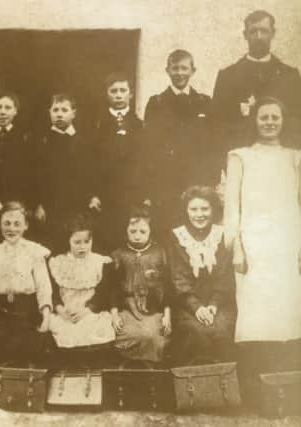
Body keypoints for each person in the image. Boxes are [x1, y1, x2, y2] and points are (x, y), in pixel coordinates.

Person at [224, 96, 301, 406]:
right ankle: (255, 395)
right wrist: (237, 248)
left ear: (283, 121)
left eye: (275, 117)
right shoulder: (239, 156)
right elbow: (232, 207)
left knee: (287, 313)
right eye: (263, 117)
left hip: (287, 244)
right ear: (254, 121)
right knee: (255, 316)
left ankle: (286, 393)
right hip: (254, 247)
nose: (269, 122)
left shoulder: (295, 157)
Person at [212, 10, 301, 173]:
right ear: (245, 35)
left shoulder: (290, 76)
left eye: (264, 31)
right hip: (242, 163)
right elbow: (217, 126)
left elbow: (297, 123)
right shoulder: (228, 76)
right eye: (253, 31)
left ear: (273, 33)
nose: (259, 36)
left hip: (281, 165)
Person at [143, 50, 214, 238]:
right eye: (175, 68)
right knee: (167, 232)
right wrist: (152, 187)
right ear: (168, 70)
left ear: (193, 71)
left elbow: (212, 145)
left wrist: (210, 182)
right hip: (166, 184)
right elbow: (149, 148)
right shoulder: (156, 103)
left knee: (197, 233)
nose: (180, 73)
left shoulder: (204, 103)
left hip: (196, 182)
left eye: (184, 68)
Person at [168, 186, 235, 365]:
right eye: (194, 209)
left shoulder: (221, 235)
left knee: (221, 330)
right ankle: (192, 387)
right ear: (186, 211)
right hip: (187, 306)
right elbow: (178, 279)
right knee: (196, 332)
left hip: (219, 304)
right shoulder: (178, 237)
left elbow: (225, 276)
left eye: (205, 209)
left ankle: (223, 386)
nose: (199, 214)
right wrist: (197, 307)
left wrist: (213, 305)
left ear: (213, 210)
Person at [0, 201, 52, 366]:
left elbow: (43, 286)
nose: (11, 229)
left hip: (27, 313)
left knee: (29, 348)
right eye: (7, 223)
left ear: (26, 225)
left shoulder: (35, 251)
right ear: (0, 225)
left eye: (17, 224)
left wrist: (46, 317)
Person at [48, 212, 115, 368]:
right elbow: (51, 292)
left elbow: (102, 294)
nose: (82, 247)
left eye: (86, 241)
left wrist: (87, 310)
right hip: (65, 312)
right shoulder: (58, 262)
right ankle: (69, 371)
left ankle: (90, 371)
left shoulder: (99, 262)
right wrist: (60, 310)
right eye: (77, 242)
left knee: (93, 330)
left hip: (89, 311)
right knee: (65, 332)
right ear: (68, 241)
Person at [91, 73, 145, 252]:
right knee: (106, 239)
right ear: (107, 94)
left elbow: (144, 161)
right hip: (105, 194)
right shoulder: (97, 124)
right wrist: (93, 194)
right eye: (114, 91)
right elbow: (90, 162)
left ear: (130, 94)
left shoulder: (139, 125)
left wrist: (143, 194)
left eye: (123, 90)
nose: (118, 94)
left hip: (131, 193)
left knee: (130, 238)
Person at [110, 206, 171, 364]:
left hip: (152, 309)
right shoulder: (118, 255)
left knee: (151, 335)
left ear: (151, 231)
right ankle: (129, 366)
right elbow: (113, 289)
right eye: (133, 231)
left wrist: (167, 313)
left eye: (142, 232)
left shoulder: (160, 253)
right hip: (127, 308)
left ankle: (150, 368)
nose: (137, 236)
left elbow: (167, 286)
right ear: (126, 230)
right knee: (126, 333)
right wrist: (115, 314)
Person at [34, 93, 95, 253]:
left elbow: (92, 171)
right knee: (53, 244)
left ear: (73, 113)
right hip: (51, 205)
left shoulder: (84, 140)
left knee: (77, 242)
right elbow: (37, 175)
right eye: (55, 110)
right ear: (49, 112)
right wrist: (39, 204)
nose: (59, 114)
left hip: (79, 203)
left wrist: (93, 196)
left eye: (64, 110)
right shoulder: (42, 140)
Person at [0, 93, 37, 245]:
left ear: (15, 111)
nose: (3, 112)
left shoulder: (26, 139)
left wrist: (30, 204)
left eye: (8, 107)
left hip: (21, 205)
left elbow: (33, 174)